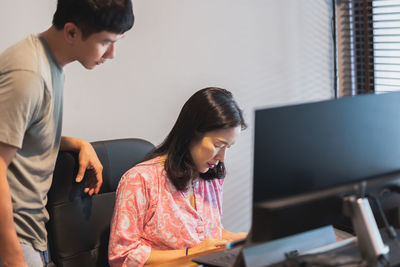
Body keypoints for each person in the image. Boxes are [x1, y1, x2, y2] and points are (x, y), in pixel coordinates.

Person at [0, 1, 134, 266]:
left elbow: (24, 134)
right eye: (106, 42)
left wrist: (77, 144)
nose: (111, 54)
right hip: (12, 238)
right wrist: (14, 256)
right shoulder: (28, 75)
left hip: (31, 232)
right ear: (72, 32)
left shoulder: (50, 65)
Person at [108, 87, 248, 266]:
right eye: (218, 145)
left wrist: (244, 239)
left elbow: (211, 234)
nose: (222, 158)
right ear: (192, 133)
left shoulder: (210, 177)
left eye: (228, 147)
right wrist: (192, 254)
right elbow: (122, 257)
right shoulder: (140, 180)